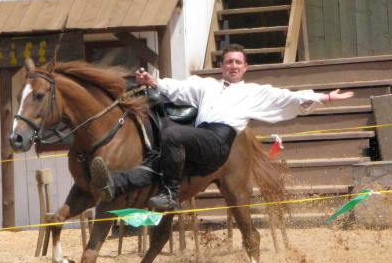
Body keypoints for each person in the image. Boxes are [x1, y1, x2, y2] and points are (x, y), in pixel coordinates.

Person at [91, 44, 354, 210]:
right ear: (221, 66)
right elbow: (178, 88)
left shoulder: (253, 92)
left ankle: (170, 195)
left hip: (218, 144)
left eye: (238, 62)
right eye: (229, 62)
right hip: (198, 140)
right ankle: (115, 183)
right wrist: (152, 80)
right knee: (157, 163)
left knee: (171, 134)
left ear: (245, 67)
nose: (234, 66)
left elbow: (288, 97)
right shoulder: (206, 85)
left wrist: (324, 97)